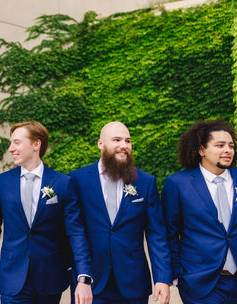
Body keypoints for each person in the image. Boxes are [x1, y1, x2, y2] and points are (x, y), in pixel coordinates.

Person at [0, 121, 93, 304]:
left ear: (36, 144)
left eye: (16, 142)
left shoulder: (62, 183)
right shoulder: (1, 182)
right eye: (11, 143)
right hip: (11, 278)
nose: (11, 149)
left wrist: (83, 275)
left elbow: (75, 231)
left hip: (49, 279)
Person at [68, 121, 171, 304]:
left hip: (133, 282)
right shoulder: (76, 180)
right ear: (101, 144)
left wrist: (162, 278)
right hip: (92, 282)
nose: (124, 146)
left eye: (128, 141)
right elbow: (74, 231)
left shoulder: (145, 182)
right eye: (117, 140)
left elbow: (157, 234)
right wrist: (80, 275)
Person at [162, 119, 237, 303]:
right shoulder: (178, 183)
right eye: (220, 145)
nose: (227, 150)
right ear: (201, 149)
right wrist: (178, 275)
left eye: (231, 146)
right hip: (201, 283)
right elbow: (169, 233)